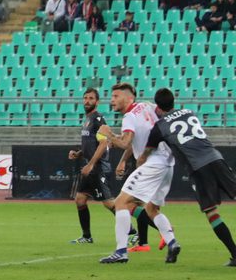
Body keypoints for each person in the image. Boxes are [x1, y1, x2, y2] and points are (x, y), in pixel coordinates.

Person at [141, 88, 236, 266]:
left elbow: (146, 152)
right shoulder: (189, 112)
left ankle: (235, 254)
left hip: (198, 167)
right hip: (216, 157)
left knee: (212, 213)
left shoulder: (159, 127)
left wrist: (138, 166)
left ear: (158, 108)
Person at [97, 83, 179, 265]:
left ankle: (120, 252)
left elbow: (126, 142)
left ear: (129, 98)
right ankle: (172, 242)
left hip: (153, 163)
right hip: (168, 162)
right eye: (112, 97)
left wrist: (109, 134)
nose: (112, 100)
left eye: (116, 96)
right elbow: (136, 140)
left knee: (120, 202)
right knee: (151, 208)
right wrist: (125, 159)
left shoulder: (129, 117)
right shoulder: (148, 106)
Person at [68, 88, 116, 244]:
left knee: (109, 203)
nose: (87, 101)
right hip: (90, 167)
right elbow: (91, 144)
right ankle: (87, 237)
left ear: (97, 101)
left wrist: (90, 164)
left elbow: (103, 144)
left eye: (91, 98)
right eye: (85, 98)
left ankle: (132, 232)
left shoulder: (98, 119)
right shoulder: (87, 119)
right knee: (80, 200)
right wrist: (79, 153)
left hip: (98, 167)